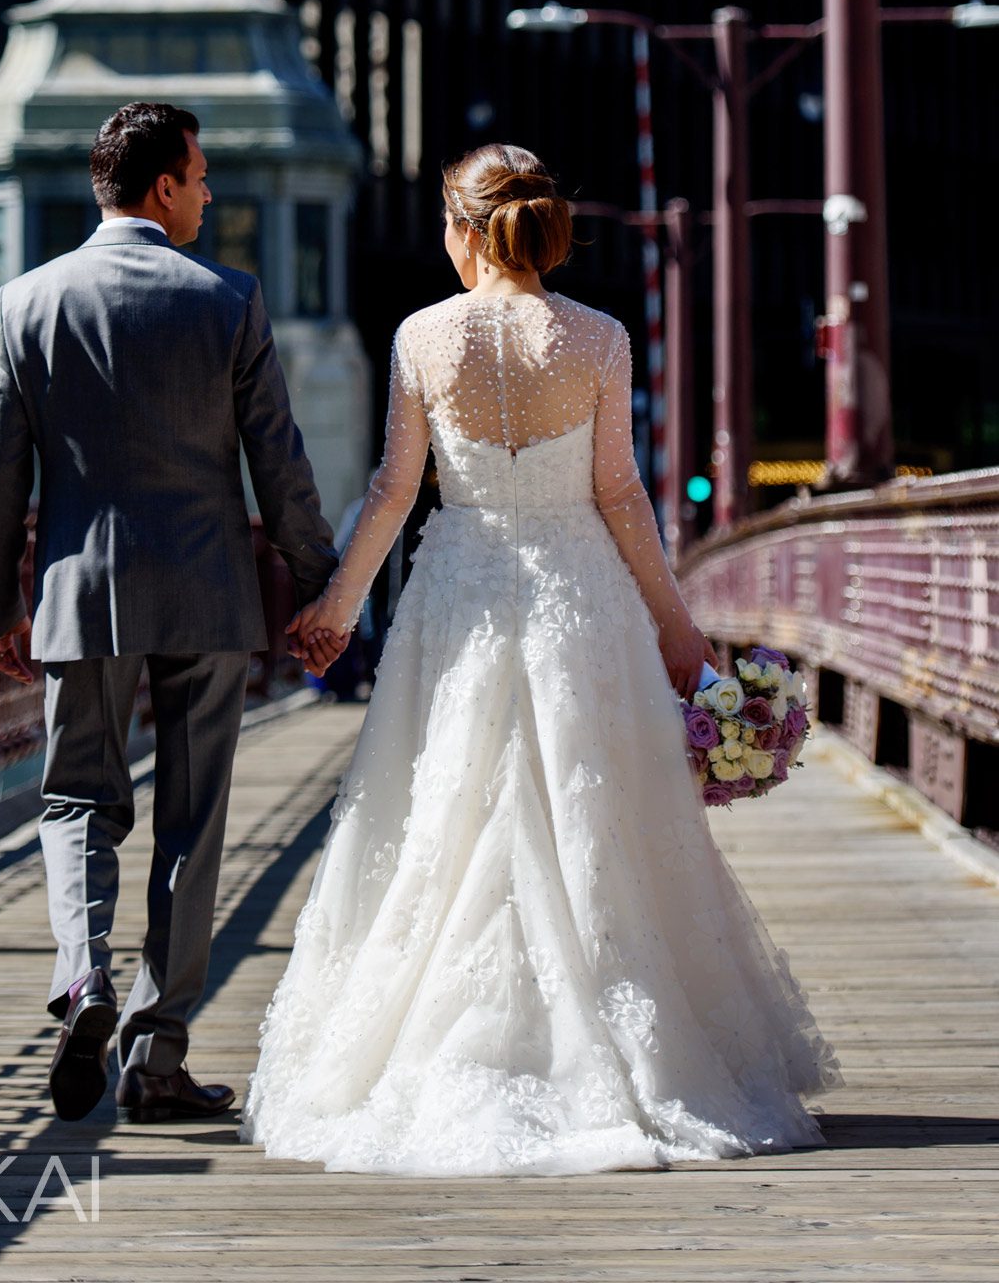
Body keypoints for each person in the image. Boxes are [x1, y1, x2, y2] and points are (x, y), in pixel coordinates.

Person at [243, 143, 840, 1175]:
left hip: (458, 598)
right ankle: (629, 1052)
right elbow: (619, 496)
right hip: (581, 598)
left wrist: (337, 608)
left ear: (467, 231)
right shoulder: (600, 338)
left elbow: (392, 489)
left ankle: (433, 1049)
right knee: (592, 811)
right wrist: (679, 630)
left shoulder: (425, 334)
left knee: (444, 809)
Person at [0, 101, 339, 1125]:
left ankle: (84, 977)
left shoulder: (28, 301)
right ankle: (155, 1050)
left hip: (81, 591)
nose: (211, 193)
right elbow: (279, 458)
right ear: (164, 184)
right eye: (202, 174)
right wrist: (318, 577)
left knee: (78, 799)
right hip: (208, 589)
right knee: (191, 817)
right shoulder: (226, 297)